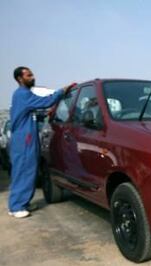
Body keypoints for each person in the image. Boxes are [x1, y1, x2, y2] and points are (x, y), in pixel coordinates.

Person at [8, 66, 75, 218]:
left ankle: (19, 204)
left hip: (24, 137)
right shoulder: (22, 94)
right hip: (24, 139)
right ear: (20, 78)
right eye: (29, 75)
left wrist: (45, 114)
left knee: (22, 171)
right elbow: (47, 101)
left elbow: (29, 114)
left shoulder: (23, 95)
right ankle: (17, 206)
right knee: (25, 171)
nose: (32, 77)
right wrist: (61, 91)